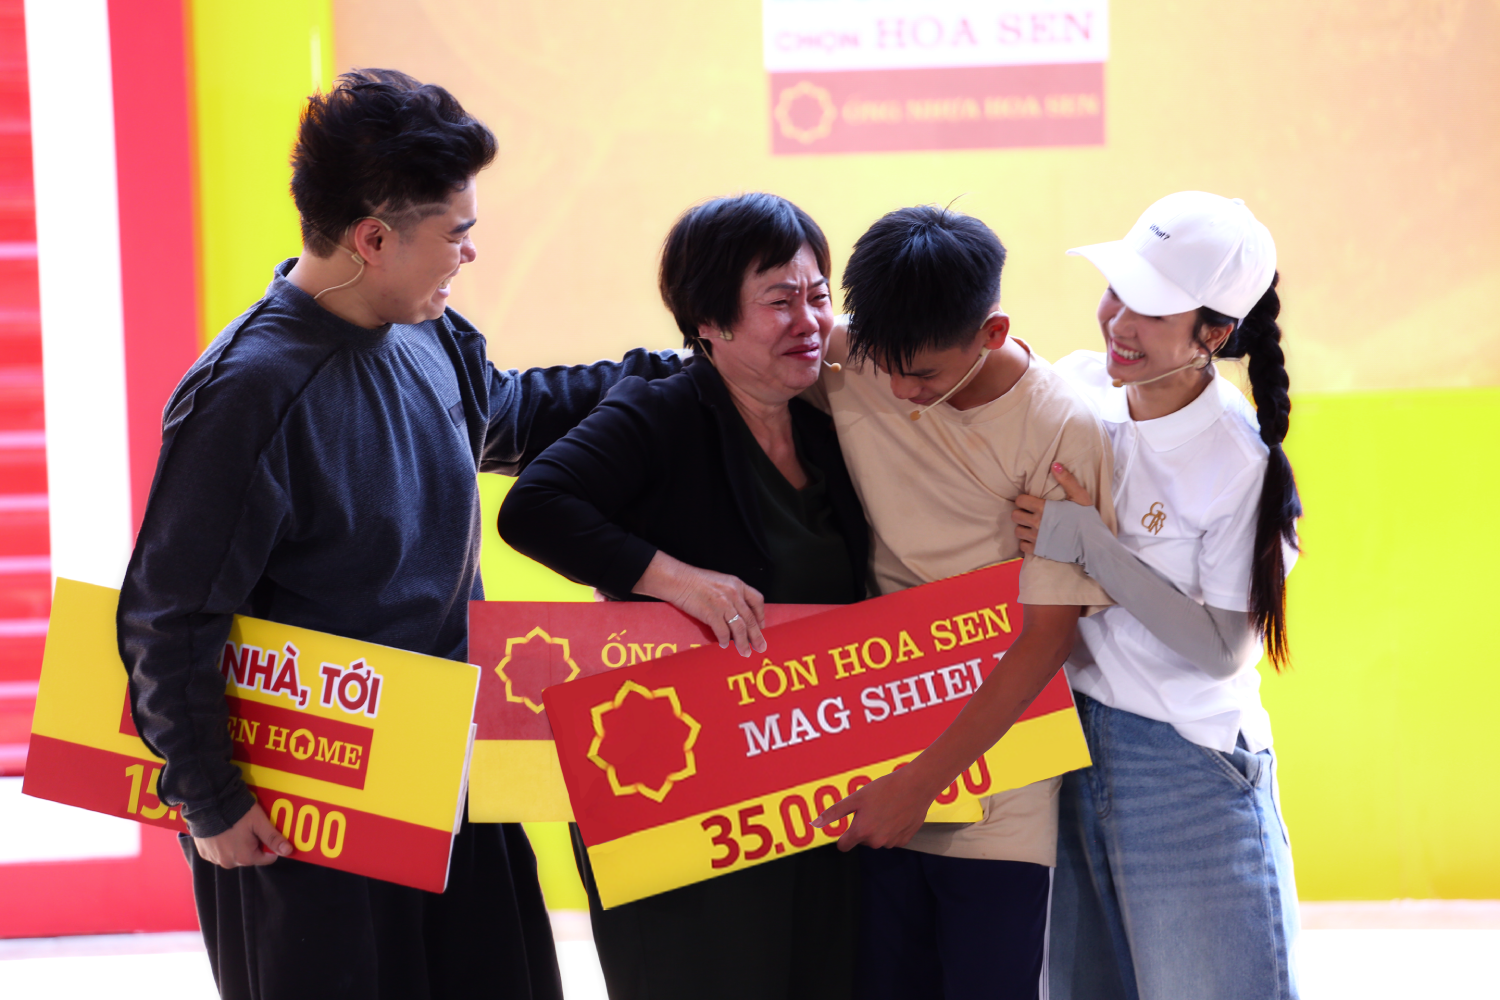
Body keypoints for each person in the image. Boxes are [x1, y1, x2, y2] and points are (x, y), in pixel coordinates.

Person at [116, 69, 682, 1000]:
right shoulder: (247, 394)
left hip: (453, 764)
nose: (470, 253)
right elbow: (167, 617)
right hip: (310, 809)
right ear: (373, 239)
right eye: (456, 233)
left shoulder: (429, 331)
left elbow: (506, 413)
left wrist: (687, 372)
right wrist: (209, 799)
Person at [498, 192, 867, 1000]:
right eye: (779, 301)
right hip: (678, 790)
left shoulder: (828, 421)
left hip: (807, 791)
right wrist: (675, 580)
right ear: (710, 321)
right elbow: (534, 508)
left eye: (818, 295)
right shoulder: (660, 408)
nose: (809, 321)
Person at [808, 205, 1118, 1000]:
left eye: (923, 375)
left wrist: (921, 783)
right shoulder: (858, 354)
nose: (900, 390)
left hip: (1002, 778)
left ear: (992, 332)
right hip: (872, 740)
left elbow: (1047, 639)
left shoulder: (1061, 428)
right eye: (884, 365)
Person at [1009, 191, 1302, 999]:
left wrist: (1091, 547)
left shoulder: (1240, 461)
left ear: (1213, 334)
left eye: (1153, 309)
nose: (1119, 321)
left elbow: (1222, 648)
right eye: (1118, 291)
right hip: (1070, 748)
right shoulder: (1079, 390)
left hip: (1186, 773)